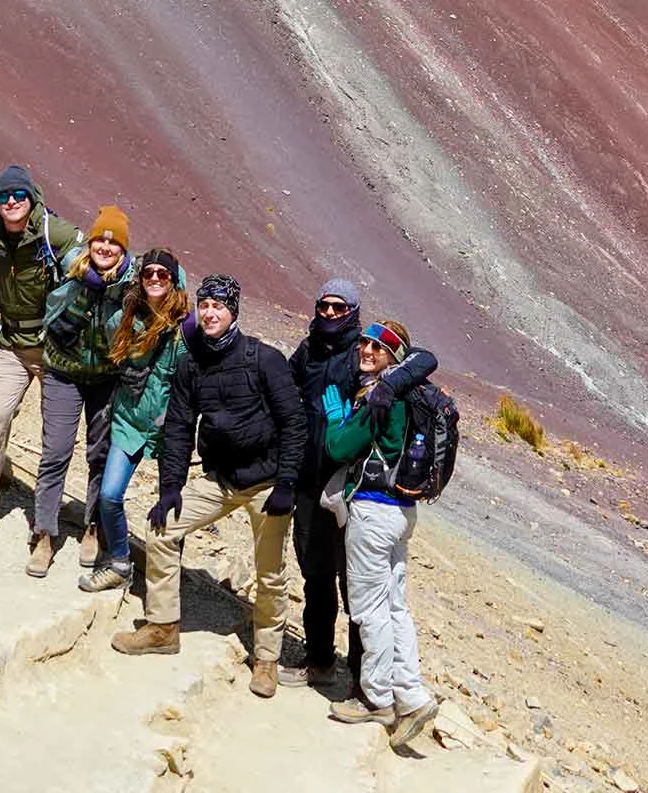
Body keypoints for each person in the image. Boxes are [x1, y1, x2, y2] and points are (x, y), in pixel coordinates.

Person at [113, 274, 303, 698]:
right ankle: (163, 627)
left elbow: (294, 422)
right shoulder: (192, 364)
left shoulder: (264, 359)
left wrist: (287, 483)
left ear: (233, 312)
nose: (210, 313)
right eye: (205, 305)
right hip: (219, 479)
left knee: (270, 572)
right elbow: (179, 427)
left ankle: (267, 659)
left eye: (219, 306)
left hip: (267, 484)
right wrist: (171, 488)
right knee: (162, 531)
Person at [288, 275, 431, 689]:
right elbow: (287, 388)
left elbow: (421, 358)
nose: (330, 312)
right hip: (310, 482)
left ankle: (360, 676)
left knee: (356, 586)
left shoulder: (365, 359)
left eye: (339, 306)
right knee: (315, 575)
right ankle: (319, 661)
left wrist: (390, 385)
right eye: (324, 305)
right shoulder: (309, 349)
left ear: (352, 311)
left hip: (351, 491)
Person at [321, 319, 441, 746]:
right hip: (402, 512)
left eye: (379, 348)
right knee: (395, 607)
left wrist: (337, 420)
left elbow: (339, 447)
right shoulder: (412, 393)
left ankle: (377, 698)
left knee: (369, 609)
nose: (367, 352)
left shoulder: (381, 396)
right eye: (365, 344)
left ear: (395, 357)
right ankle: (412, 695)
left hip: (372, 511)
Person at [0, 164, 81, 538]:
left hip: (54, 349)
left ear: (32, 198)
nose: (11, 201)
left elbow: (89, 261)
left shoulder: (53, 232)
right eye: (3, 196)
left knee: (56, 436)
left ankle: (52, 516)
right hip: (11, 344)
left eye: (19, 194)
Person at [29, 206, 135, 578]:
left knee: (100, 454)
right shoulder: (71, 268)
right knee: (55, 452)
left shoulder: (132, 284)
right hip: (63, 372)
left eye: (114, 242)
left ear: (124, 249)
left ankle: (92, 527)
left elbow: (173, 281)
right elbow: (51, 307)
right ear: (90, 242)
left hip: (107, 378)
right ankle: (44, 534)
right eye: (99, 240)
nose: (105, 247)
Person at [86, 245, 188, 593]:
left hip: (168, 429)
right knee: (110, 495)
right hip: (128, 420)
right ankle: (119, 562)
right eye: (149, 273)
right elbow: (110, 354)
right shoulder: (123, 321)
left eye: (163, 274)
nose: (155, 279)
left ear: (173, 281)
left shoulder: (184, 333)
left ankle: (166, 582)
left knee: (171, 506)